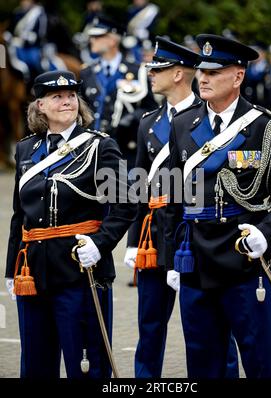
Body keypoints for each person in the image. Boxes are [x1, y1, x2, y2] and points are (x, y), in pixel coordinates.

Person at [165, 33, 271, 378]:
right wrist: (170, 260)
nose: (204, 78)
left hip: (245, 261)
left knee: (262, 362)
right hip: (195, 262)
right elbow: (173, 198)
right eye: (202, 71)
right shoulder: (183, 124)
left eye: (215, 72)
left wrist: (266, 234)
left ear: (238, 76)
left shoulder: (264, 126)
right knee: (203, 364)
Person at [5, 70, 136, 379]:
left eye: (71, 96)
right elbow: (18, 214)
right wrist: (12, 269)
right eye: (57, 97)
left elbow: (125, 205)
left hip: (80, 269)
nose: (67, 101)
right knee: (35, 365)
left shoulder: (99, 146)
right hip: (34, 271)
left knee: (86, 365)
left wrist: (100, 244)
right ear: (39, 105)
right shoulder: (27, 149)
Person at [124, 36, 238, 378]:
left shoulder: (206, 116)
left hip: (195, 234)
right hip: (154, 236)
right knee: (149, 326)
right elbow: (138, 185)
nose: (150, 74)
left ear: (177, 74)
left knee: (211, 330)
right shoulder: (148, 121)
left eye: (157, 69)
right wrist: (132, 240)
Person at [80, 17, 157, 170]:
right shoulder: (87, 72)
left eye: (97, 36)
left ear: (112, 40)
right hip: (91, 151)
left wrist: (133, 117)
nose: (92, 40)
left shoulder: (137, 71)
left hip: (125, 151)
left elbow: (152, 109)